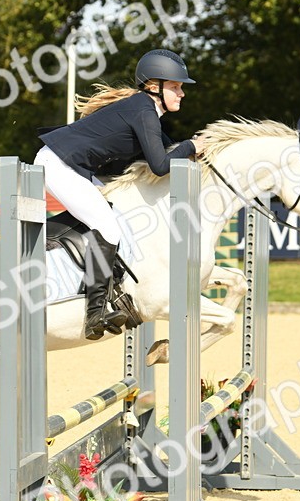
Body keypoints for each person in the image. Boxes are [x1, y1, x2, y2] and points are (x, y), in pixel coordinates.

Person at [36, 48, 206, 340]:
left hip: (69, 165)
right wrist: (190, 146)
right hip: (58, 165)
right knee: (107, 227)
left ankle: (99, 281)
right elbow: (162, 165)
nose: (182, 93)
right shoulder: (143, 111)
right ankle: (95, 312)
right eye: (176, 87)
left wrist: (193, 150)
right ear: (155, 87)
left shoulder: (144, 110)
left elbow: (166, 150)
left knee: (114, 217)